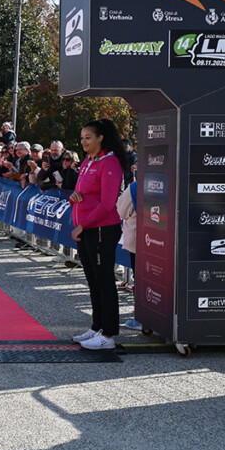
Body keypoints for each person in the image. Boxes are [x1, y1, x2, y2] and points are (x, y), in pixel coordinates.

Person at [69, 119, 129, 350]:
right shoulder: (87, 162)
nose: (83, 141)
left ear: (100, 138)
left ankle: (109, 333)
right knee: (93, 280)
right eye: (82, 137)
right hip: (87, 228)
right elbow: (81, 193)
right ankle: (97, 327)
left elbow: (107, 203)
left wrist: (83, 224)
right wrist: (74, 197)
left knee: (104, 280)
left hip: (102, 229)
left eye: (88, 137)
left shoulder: (109, 162)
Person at [117, 180, 142, 331]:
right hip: (163, 240)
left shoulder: (135, 187)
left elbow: (121, 210)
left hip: (138, 239)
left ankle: (140, 318)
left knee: (140, 278)